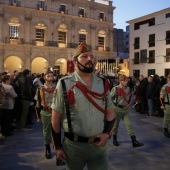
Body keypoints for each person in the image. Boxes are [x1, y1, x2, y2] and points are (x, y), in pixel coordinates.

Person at [51, 42, 116, 170]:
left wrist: (107, 134)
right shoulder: (64, 84)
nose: (89, 59)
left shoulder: (103, 83)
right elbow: (55, 118)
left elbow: (111, 112)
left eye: (92, 57)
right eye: (84, 57)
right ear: (75, 62)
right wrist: (57, 147)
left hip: (99, 146)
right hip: (74, 147)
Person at [110, 74, 144, 148]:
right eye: (125, 81)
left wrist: (129, 105)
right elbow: (110, 99)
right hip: (117, 109)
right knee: (115, 126)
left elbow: (130, 98)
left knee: (129, 125)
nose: (126, 82)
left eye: (127, 80)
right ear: (121, 81)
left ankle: (134, 141)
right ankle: (114, 138)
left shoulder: (128, 89)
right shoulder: (115, 89)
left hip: (125, 110)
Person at [34, 68, 56, 159]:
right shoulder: (40, 89)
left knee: (56, 131)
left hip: (55, 113)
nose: (50, 77)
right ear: (44, 77)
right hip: (45, 112)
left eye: (51, 76)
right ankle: (47, 148)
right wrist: (38, 116)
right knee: (46, 132)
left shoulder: (57, 88)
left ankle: (57, 148)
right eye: (48, 76)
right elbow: (38, 104)